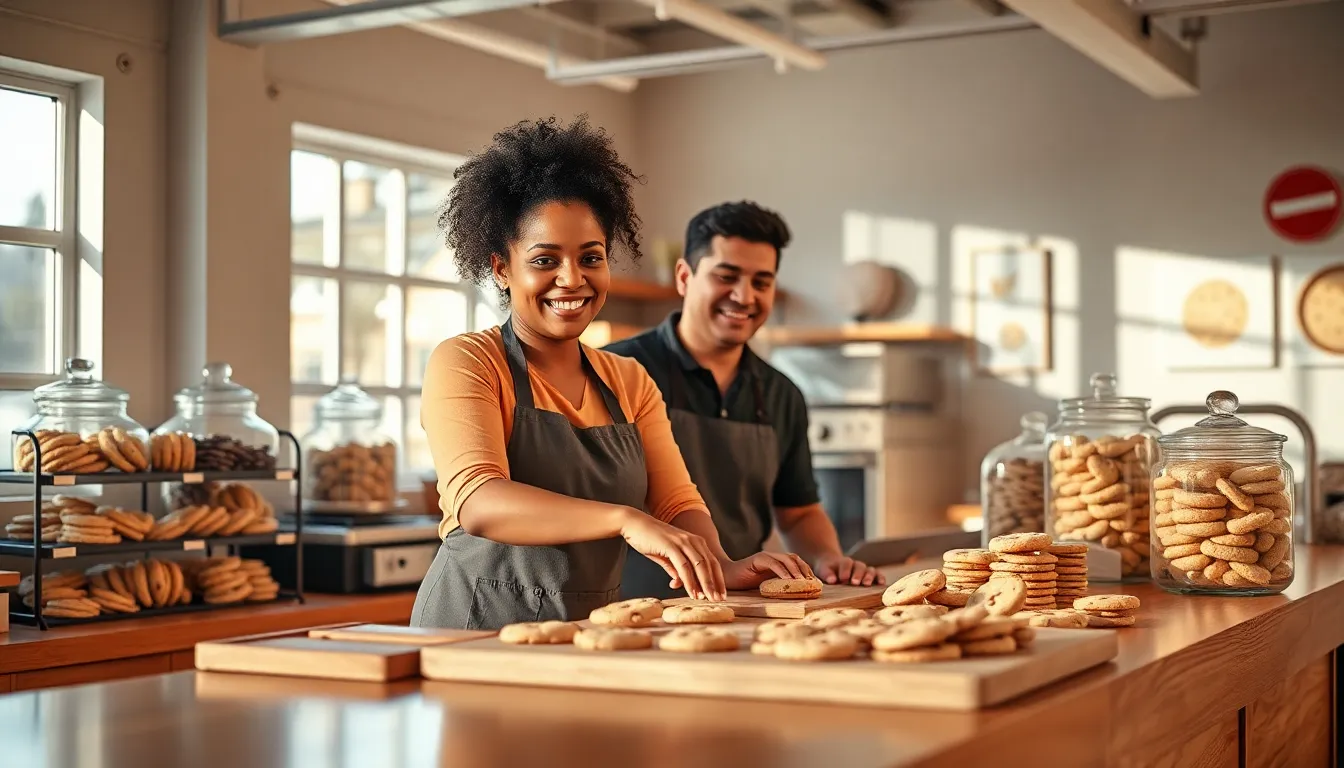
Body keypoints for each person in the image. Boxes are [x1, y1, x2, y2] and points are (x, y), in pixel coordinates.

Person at [411, 117, 815, 630]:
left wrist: (720, 564)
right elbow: (480, 500)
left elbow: (676, 500)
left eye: (591, 257)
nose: (572, 279)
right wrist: (623, 519)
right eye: (545, 259)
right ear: (501, 268)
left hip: (587, 629)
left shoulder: (629, 380)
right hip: (473, 628)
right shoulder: (469, 361)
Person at [604, 200, 885, 599]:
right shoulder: (620, 370)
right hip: (632, 602)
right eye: (727, 276)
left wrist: (827, 558)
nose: (744, 296)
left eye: (761, 282)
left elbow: (799, 510)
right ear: (684, 277)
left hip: (740, 603)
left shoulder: (782, 394)